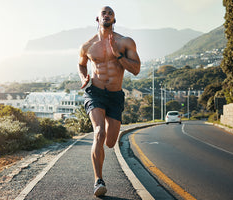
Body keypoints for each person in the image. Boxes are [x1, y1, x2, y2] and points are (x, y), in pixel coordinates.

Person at [77, 6, 141, 197]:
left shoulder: (125, 42)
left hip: (114, 96)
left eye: (110, 13)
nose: (106, 15)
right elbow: (81, 64)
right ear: (97, 18)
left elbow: (136, 69)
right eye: (103, 13)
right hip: (94, 92)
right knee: (99, 132)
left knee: (111, 142)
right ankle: (98, 181)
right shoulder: (87, 45)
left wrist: (118, 55)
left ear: (114, 19)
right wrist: (83, 78)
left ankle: (105, 134)